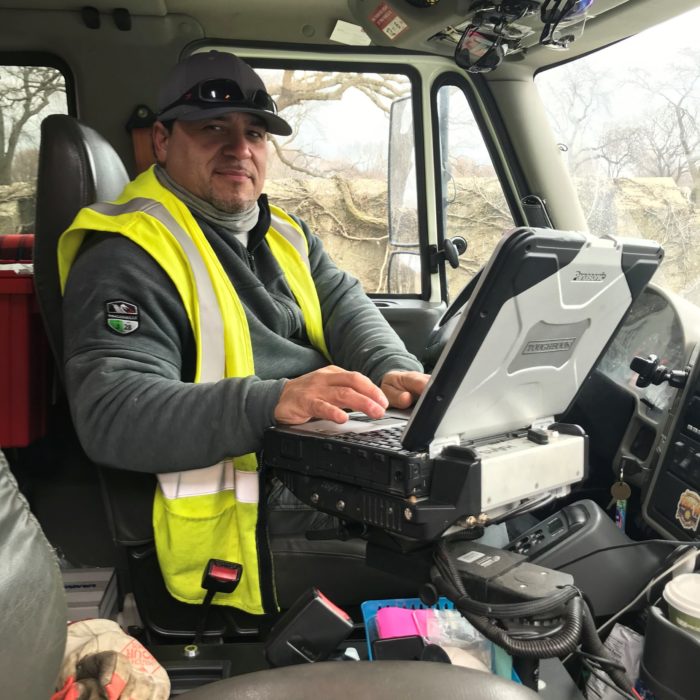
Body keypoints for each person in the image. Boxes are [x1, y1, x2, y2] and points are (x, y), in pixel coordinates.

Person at [59, 51, 429, 615]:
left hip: (316, 455)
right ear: (161, 140)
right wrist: (274, 400)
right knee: (451, 539)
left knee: (456, 481)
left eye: (254, 133)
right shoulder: (126, 253)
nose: (240, 150)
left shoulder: (281, 229)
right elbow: (112, 413)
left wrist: (390, 366)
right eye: (213, 129)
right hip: (251, 507)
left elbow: (343, 303)